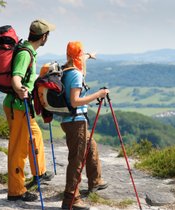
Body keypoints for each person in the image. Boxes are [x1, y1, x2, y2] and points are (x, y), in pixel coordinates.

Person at [3, 19, 55, 202]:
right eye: (48, 35)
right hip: (18, 106)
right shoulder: (25, 54)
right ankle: (16, 191)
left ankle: (39, 173)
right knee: (18, 148)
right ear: (43, 37)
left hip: (23, 106)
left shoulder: (28, 50)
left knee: (35, 136)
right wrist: (21, 90)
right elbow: (16, 78)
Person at [60, 41, 109, 210]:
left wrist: (89, 56)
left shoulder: (66, 69)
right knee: (76, 160)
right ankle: (71, 199)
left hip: (70, 120)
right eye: (83, 54)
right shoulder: (75, 75)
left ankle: (95, 181)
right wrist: (99, 94)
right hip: (76, 121)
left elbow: (79, 58)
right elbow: (74, 101)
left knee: (91, 146)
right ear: (78, 56)